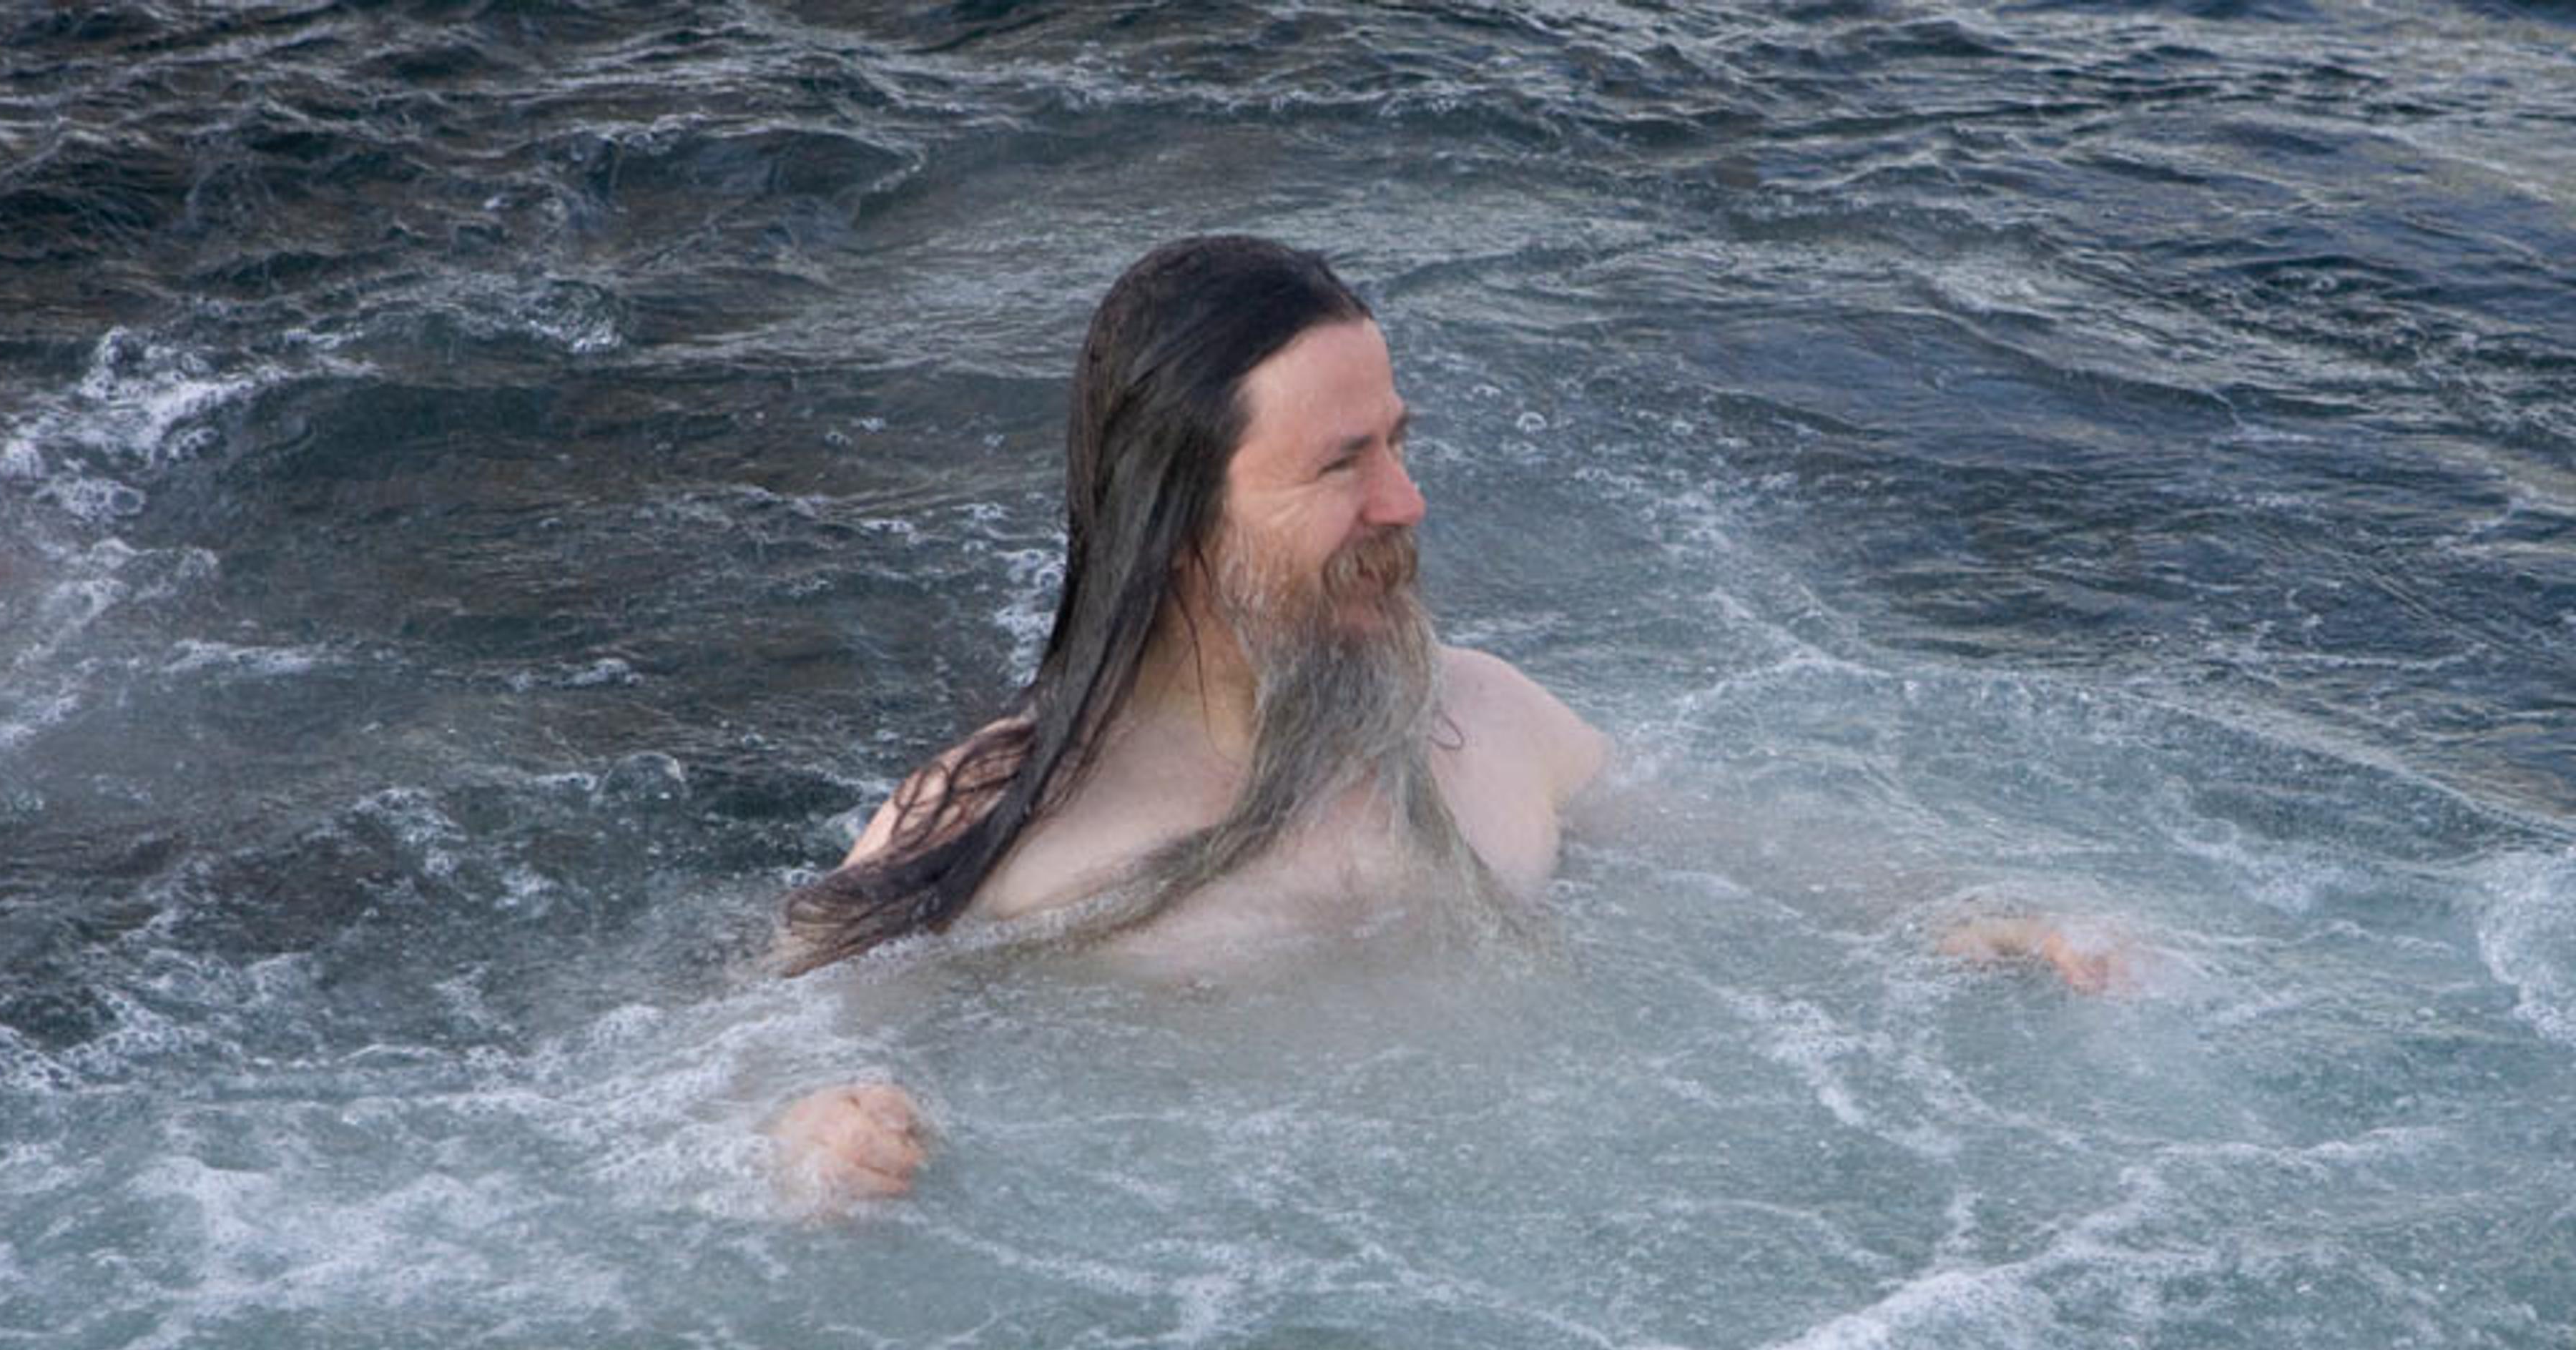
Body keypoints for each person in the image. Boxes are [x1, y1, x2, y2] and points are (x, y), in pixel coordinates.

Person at [757, 235, 2103, 1207]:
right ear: (1177, 522)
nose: (1405, 502)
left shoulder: (1487, 714)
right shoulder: (999, 823)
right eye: (1343, 464)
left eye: (1396, 443)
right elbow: (752, 1041)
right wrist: (812, 1131)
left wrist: (1968, 915)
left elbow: (1730, 850)